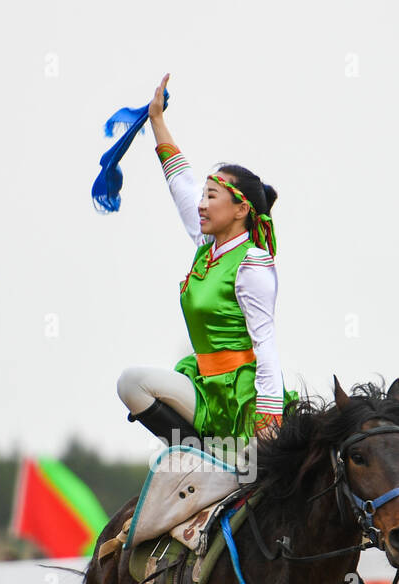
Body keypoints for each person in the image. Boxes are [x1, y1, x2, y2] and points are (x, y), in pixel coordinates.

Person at [116, 73, 297, 457]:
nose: (200, 204)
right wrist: (158, 121)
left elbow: (266, 348)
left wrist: (269, 422)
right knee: (131, 384)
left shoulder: (252, 263)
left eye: (210, 196)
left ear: (240, 209)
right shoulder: (206, 245)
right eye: (203, 195)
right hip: (203, 384)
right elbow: (180, 184)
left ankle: (219, 458)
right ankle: (203, 458)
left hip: (244, 403)